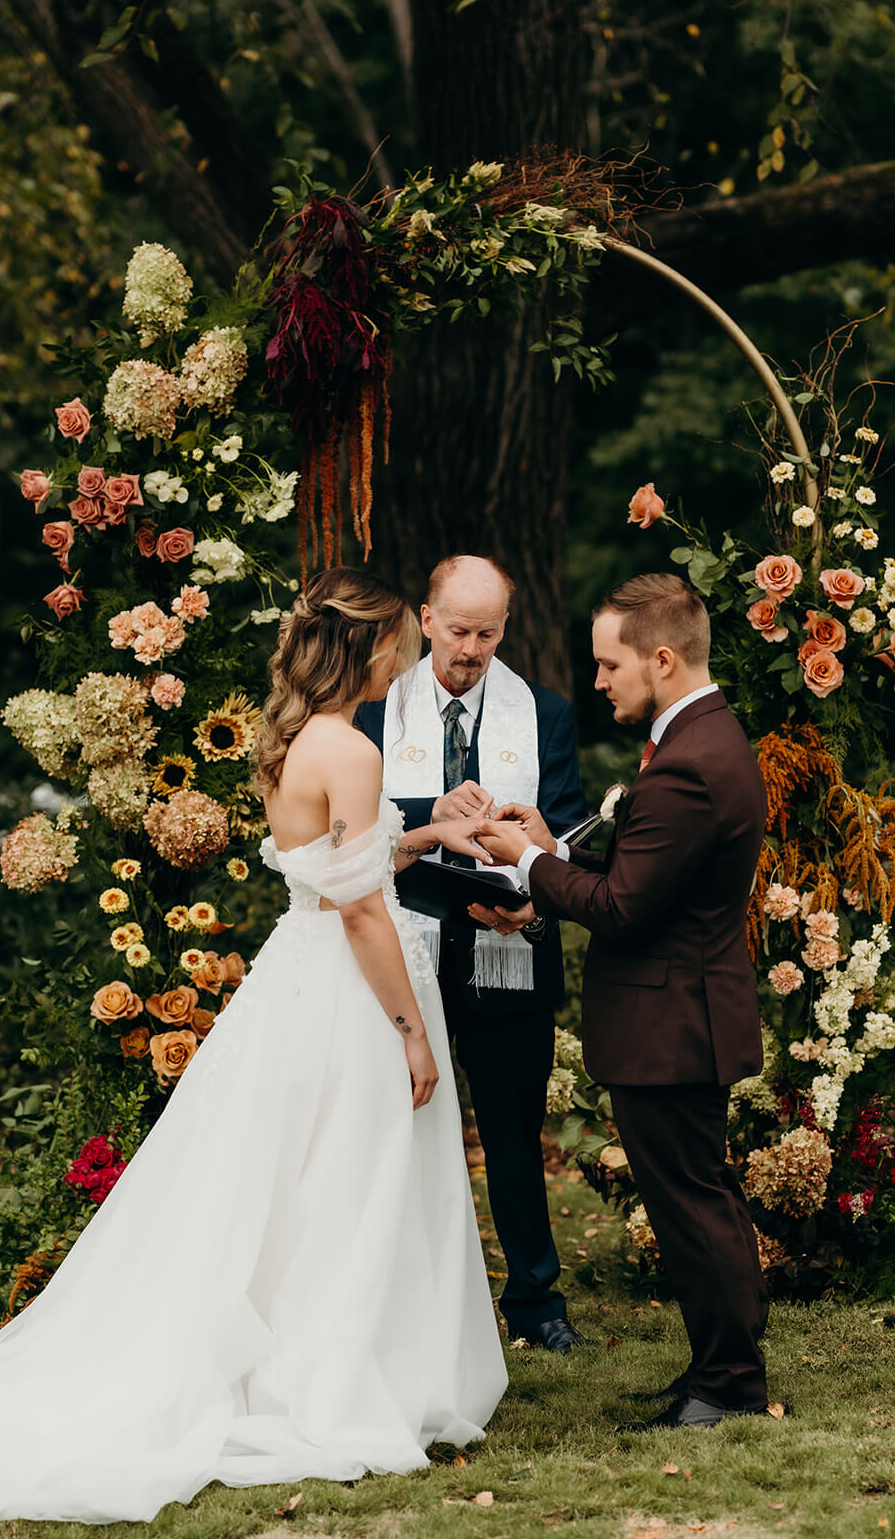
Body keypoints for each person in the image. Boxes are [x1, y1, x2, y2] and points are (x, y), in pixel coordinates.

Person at [0, 568, 507, 1524]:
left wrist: (429, 836)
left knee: (295, 1181)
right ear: (373, 647)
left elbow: (339, 862)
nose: (413, 656)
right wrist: (412, 1034)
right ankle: (333, 1377)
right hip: (348, 991)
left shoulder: (303, 739)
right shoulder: (356, 750)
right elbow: (363, 912)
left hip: (293, 980)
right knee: (348, 1181)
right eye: (404, 643)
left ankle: (311, 1357)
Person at [475, 572, 771, 1428]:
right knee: (696, 1197)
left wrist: (528, 864)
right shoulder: (702, 740)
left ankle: (728, 1386)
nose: (597, 680)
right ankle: (716, 1369)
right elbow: (640, 882)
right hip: (679, 1013)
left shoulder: (687, 767)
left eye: (609, 665)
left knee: (691, 1204)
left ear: (663, 659)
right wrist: (545, 849)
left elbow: (622, 908)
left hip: (671, 1021)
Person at [356, 555, 590, 1354]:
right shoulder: (373, 709)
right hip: (408, 935)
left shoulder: (545, 713)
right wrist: (433, 808)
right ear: (426, 620)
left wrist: (535, 872)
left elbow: (568, 824)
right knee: (400, 1122)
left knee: (513, 1127)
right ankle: (402, 1302)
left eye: (488, 633)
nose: (472, 649)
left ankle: (534, 1299)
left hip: (509, 938)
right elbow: (354, 822)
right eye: (458, 631)